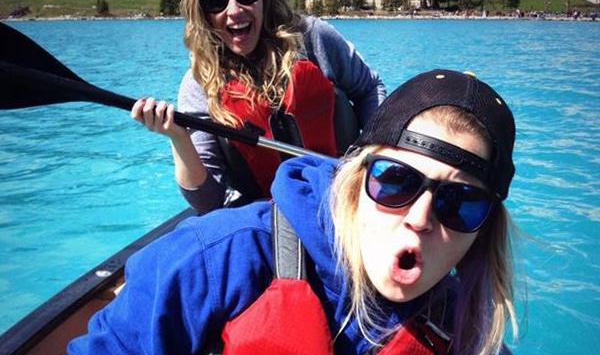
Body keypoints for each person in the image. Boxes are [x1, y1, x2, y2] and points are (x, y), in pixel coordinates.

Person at [69, 69, 519, 355]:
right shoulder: (214, 258)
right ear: (355, 178)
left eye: (460, 203)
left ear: (484, 229)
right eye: (396, 180)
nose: (421, 218)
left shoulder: (466, 328)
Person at [131, 0, 386, 214]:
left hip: (343, 197)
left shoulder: (313, 38)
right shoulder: (199, 84)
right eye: (215, 1)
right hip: (265, 216)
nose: (234, 11)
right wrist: (177, 138)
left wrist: (373, 156)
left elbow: (369, 89)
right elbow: (208, 202)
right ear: (203, 13)